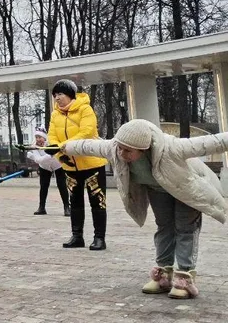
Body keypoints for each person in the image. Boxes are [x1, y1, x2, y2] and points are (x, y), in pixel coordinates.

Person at [64, 119, 228, 299]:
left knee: (185, 229)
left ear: (143, 150)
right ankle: (163, 274)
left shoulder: (171, 147)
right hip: (158, 189)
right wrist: (65, 147)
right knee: (164, 226)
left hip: (187, 188)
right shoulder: (116, 148)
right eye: (120, 148)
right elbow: (89, 146)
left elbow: (213, 143)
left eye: (128, 150)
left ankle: (184, 276)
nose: (121, 153)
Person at [47, 79, 107, 250]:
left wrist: (65, 145)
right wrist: (58, 152)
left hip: (91, 163)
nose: (57, 98)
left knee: (97, 201)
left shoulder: (85, 109)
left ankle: (99, 238)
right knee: (75, 201)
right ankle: (77, 236)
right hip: (70, 165)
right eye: (55, 95)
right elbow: (52, 137)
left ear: (70, 95)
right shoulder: (55, 114)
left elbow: (86, 132)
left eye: (60, 94)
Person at [25, 129, 70, 216]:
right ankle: (41, 208)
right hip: (44, 166)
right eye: (36, 137)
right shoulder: (34, 146)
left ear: (45, 138)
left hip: (58, 164)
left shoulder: (51, 143)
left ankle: (67, 207)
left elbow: (58, 152)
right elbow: (38, 160)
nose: (38, 139)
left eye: (40, 137)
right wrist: (49, 155)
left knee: (62, 185)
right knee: (44, 186)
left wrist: (33, 156)